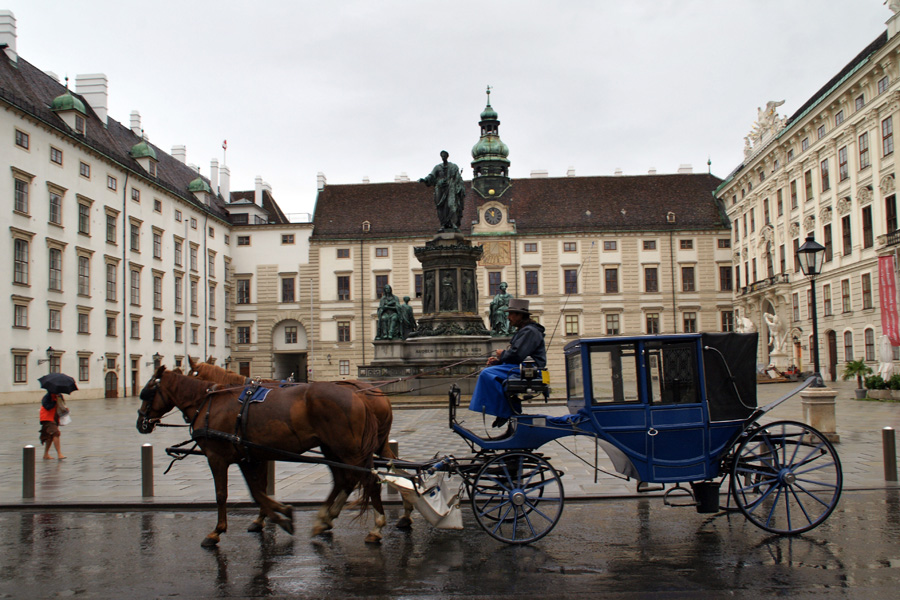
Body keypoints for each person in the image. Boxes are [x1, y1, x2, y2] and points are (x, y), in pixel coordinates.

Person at [469, 298, 546, 427]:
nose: (508, 317)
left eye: (511, 314)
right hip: (522, 367)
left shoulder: (530, 331)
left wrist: (502, 354)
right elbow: (517, 355)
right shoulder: (525, 330)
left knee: (486, 374)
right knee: (490, 373)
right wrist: (498, 361)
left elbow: (517, 355)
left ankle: (504, 411)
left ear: (520, 315)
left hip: (529, 370)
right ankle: (507, 409)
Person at [419, 150, 466, 232]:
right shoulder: (437, 167)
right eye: (442, 156)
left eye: (444, 155)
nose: (443, 157)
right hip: (440, 189)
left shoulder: (454, 167)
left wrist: (459, 188)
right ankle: (444, 224)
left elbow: (458, 179)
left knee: (452, 206)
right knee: (441, 208)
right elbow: (431, 176)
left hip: (451, 189)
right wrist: (425, 179)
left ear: (447, 156)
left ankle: (453, 223)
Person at [39, 392, 66, 459]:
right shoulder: (47, 397)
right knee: (56, 433)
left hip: (55, 417)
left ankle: (46, 454)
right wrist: (54, 401)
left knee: (50, 436)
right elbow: (47, 407)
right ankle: (59, 454)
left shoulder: (59, 396)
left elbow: (62, 405)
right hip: (47, 418)